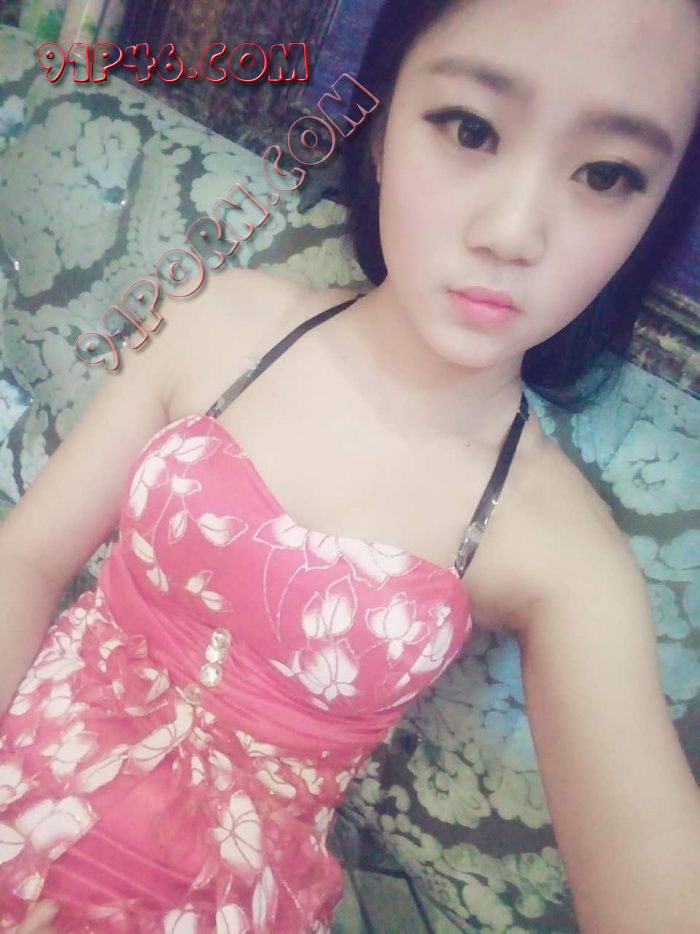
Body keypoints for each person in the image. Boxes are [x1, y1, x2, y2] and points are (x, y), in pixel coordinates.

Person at [1, 0, 699, 930]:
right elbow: (26, 558)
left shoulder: (565, 554)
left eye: (607, 175)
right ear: (380, 124)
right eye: (471, 128)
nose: (513, 232)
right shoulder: (218, 316)